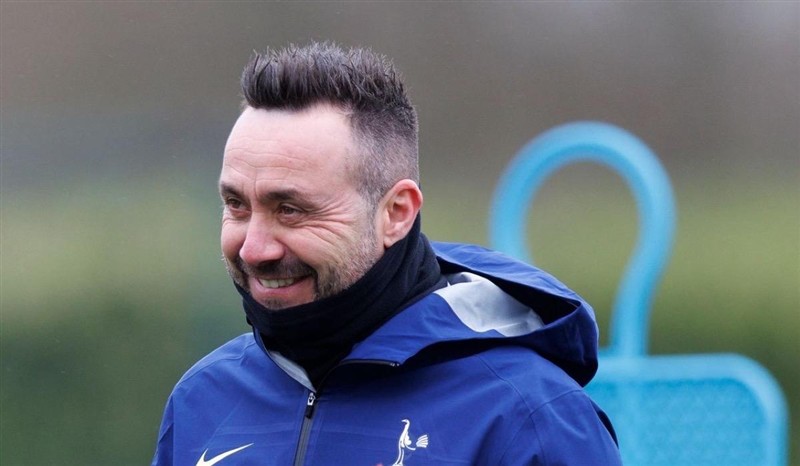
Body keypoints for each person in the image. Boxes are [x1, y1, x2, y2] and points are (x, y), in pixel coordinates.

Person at [151, 41, 622, 466]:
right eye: (236, 205)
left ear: (396, 212)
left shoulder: (528, 416)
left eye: (290, 210)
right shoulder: (202, 400)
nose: (254, 248)